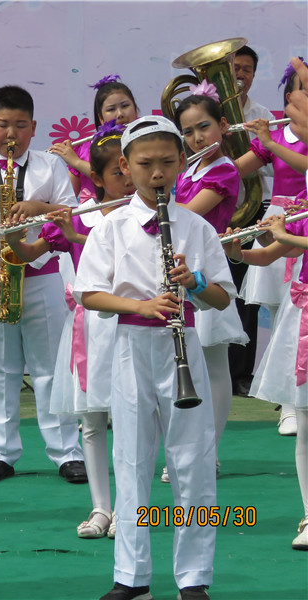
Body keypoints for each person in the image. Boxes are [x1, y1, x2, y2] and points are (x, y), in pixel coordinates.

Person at [74, 115, 234, 600]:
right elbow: (89, 295)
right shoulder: (110, 228)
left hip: (180, 344)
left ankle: (193, 578)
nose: (157, 173)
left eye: (168, 162)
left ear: (183, 163)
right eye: (145, 164)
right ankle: (132, 577)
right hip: (130, 347)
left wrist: (196, 283)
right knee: (132, 459)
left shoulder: (197, 226)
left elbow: (223, 297)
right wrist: (140, 305)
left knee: (193, 461)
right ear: (125, 166)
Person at [0, 85, 86, 485]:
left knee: (49, 370)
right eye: (3, 125)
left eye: (21, 126)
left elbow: (73, 215)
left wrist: (38, 208)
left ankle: (66, 452)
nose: (11, 134)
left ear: (34, 128)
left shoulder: (49, 166)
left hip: (41, 278)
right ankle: (0, 452)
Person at [6, 121, 133, 538]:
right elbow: (28, 253)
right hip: (90, 330)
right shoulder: (81, 212)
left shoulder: (146, 216)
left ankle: (134, 510)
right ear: (96, 178)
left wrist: (74, 233)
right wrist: (12, 234)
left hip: (134, 324)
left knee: (135, 422)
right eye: (117, 172)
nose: (128, 177)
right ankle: (100, 509)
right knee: (92, 421)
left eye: (129, 167)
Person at [173, 83, 247, 475]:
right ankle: (186, 449)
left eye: (203, 127)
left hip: (207, 267)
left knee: (213, 366)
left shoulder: (224, 169)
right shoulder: (190, 167)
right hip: (180, 266)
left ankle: (208, 452)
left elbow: (187, 213)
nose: (196, 137)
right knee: (184, 365)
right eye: (187, 132)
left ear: (222, 125)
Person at [225, 209, 308, 551]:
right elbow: (268, 254)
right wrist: (237, 253)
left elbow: (289, 242)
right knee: (306, 422)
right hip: (302, 322)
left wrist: (285, 235)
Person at [236, 59, 308, 435]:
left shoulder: (279, 139)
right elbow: (237, 170)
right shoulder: (279, 134)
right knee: (283, 312)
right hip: (279, 222)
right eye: (301, 88)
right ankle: (288, 402)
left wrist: (268, 143)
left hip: (303, 223)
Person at [228, 44, 277, 401]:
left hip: (253, 211)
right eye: (233, 69)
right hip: (214, 210)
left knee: (248, 294)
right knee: (216, 288)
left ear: (254, 75)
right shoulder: (208, 115)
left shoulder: (262, 116)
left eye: (246, 69)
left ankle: (243, 373)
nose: (239, 75)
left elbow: (276, 169)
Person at [49, 74, 139, 203]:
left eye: (125, 106)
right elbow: (66, 199)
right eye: (111, 109)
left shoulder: (144, 143)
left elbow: (132, 178)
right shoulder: (85, 149)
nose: (120, 114)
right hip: (91, 218)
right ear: (101, 118)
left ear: (135, 110)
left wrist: (76, 162)